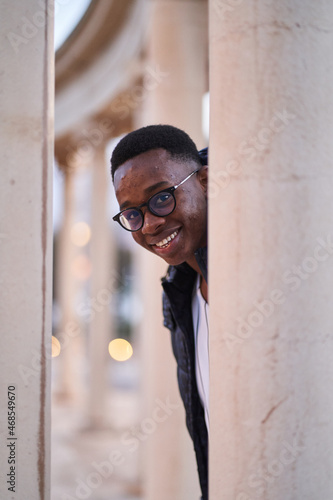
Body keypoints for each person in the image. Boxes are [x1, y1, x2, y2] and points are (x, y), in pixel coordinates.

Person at [110, 124, 209, 500]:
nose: (150, 223)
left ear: (205, 181)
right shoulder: (178, 291)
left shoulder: (261, 267)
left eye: (162, 198)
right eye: (132, 215)